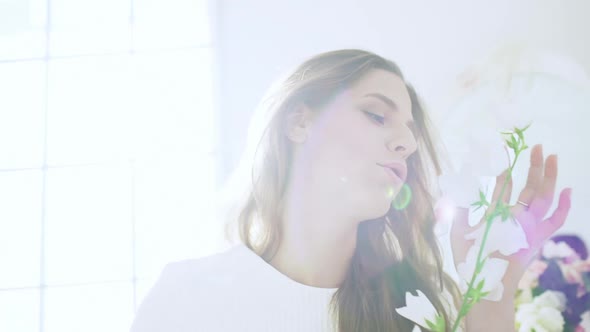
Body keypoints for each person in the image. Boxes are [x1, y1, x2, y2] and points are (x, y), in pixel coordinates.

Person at [130, 49, 572, 331]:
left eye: (410, 132)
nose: (407, 143)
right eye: (377, 115)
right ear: (299, 122)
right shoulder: (188, 296)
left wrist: (496, 284)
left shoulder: (420, 307)